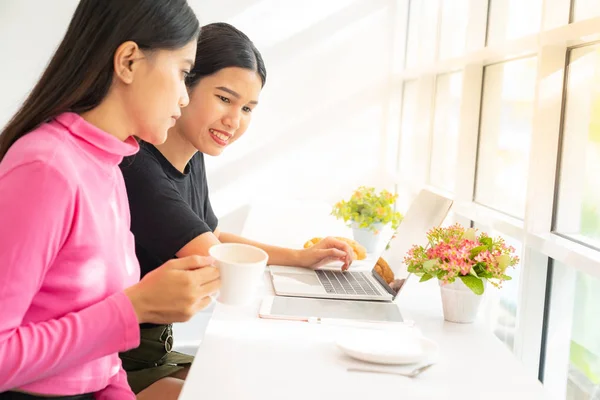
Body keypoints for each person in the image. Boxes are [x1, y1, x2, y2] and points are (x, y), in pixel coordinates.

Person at [119, 22, 356, 394]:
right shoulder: (138, 166)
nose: (235, 120)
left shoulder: (191, 157)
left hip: (156, 352)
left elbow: (210, 238)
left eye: (247, 107)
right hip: (117, 362)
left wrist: (300, 256)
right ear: (186, 85)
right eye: (224, 99)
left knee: (257, 379)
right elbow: (219, 259)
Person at [0, 1, 220, 399]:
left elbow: (103, 362)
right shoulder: (45, 168)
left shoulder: (109, 166)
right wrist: (134, 308)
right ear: (130, 61)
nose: (185, 99)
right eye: (183, 72)